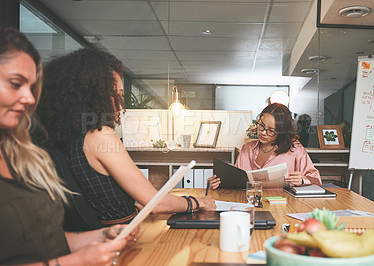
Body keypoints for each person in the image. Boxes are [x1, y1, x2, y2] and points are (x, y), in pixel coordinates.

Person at [0, 27, 136, 265]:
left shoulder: (23, 156)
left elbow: (42, 240)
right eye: (15, 84)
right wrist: (74, 262)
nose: (30, 98)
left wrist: (100, 236)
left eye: (31, 88)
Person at [34, 48, 215, 226]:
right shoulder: (99, 134)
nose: (120, 105)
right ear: (92, 95)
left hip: (109, 233)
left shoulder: (69, 138)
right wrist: (197, 202)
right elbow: (156, 203)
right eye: (117, 95)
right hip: (126, 235)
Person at [208, 103, 322, 189]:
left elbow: (317, 180)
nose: (263, 132)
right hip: (249, 203)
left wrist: (302, 180)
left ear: (282, 132)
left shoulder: (295, 149)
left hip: (283, 206)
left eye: (271, 131)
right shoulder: (247, 149)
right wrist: (217, 183)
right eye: (261, 126)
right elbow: (236, 182)